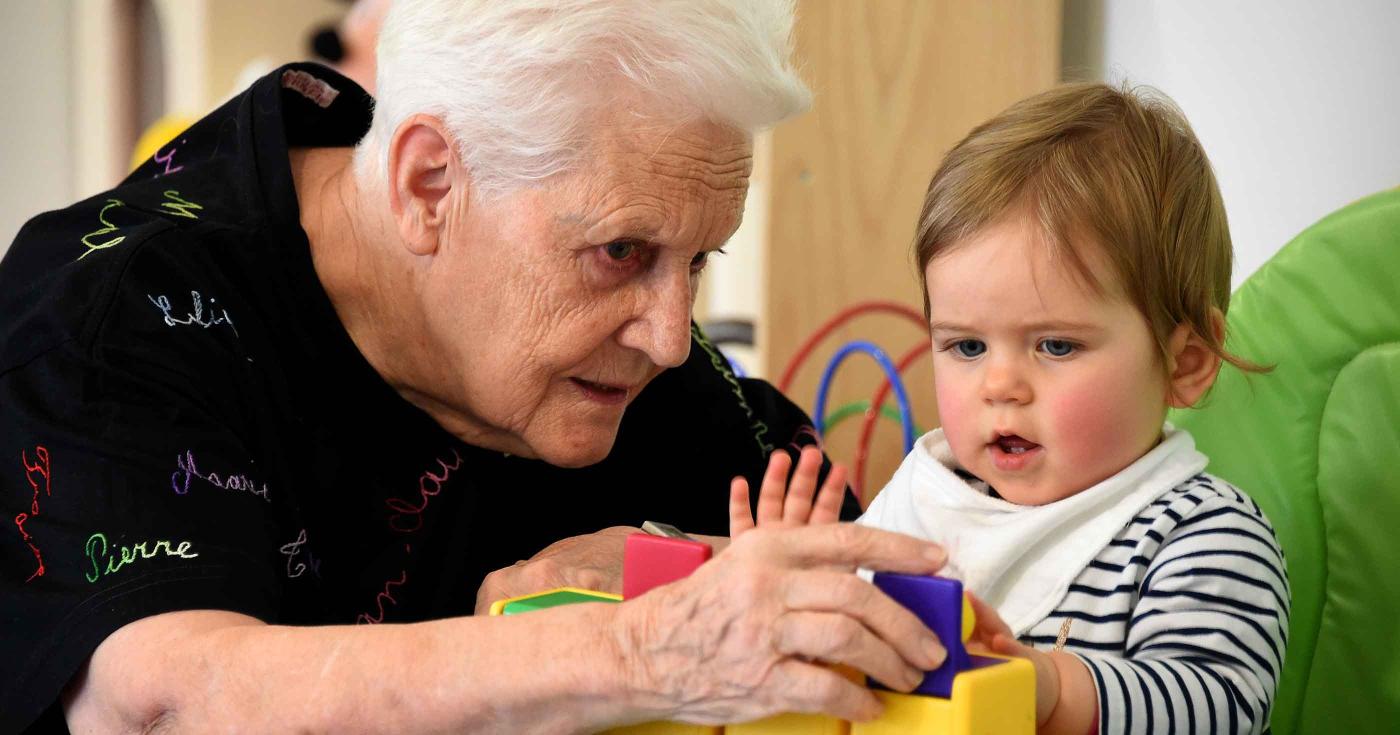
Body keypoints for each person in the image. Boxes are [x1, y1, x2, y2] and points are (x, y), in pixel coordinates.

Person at [0, 1, 955, 732]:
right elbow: (162, 700)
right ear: (430, 185)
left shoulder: (624, 352)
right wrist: (636, 650)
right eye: (621, 252)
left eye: (700, 260)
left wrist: (676, 556)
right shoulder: (114, 315)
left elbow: (893, 585)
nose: (670, 335)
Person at [737, 83, 1291, 734]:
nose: (1000, 385)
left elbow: (1217, 705)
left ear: (1185, 363)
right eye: (967, 345)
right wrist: (793, 595)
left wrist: (1053, 688)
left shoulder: (1203, 536)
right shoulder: (926, 491)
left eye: (1055, 345)